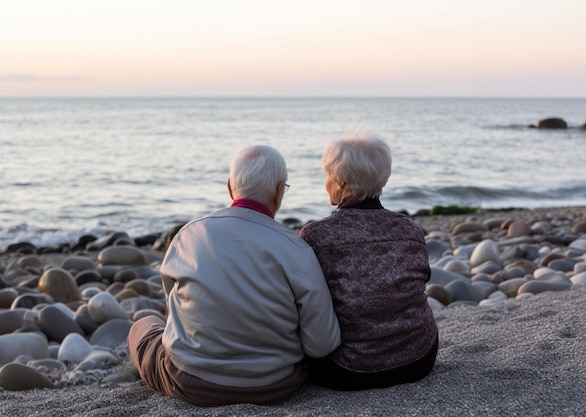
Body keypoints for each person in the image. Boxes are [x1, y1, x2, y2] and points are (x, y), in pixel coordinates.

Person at [128, 144, 341, 406]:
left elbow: (173, 317)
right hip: (275, 384)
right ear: (278, 191)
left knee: (143, 326)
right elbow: (321, 345)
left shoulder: (188, 235)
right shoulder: (296, 249)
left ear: (230, 187)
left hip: (191, 382)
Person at [299, 133, 438, 391]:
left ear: (339, 182)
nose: (325, 182)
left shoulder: (317, 235)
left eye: (326, 175)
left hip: (350, 369)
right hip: (419, 357)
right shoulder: (411, 230)